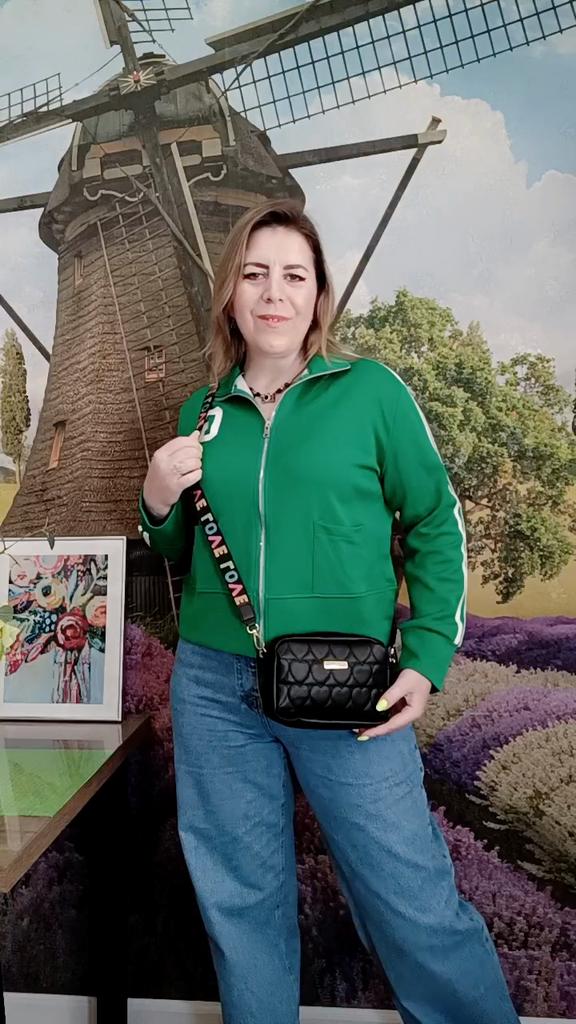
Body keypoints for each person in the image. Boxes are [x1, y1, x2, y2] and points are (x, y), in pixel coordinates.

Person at [139, 198, 521, 1024]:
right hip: (214, 686)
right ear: (230, 294)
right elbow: (183, 550)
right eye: (255, 274)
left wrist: (426, 656)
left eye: (294, 275)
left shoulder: (371, 392)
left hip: (345, 681)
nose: (273, 292)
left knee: (409, 896)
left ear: (319, 296)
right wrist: (157, 500)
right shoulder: (201, 411)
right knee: (239, 902)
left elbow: (435, 523)